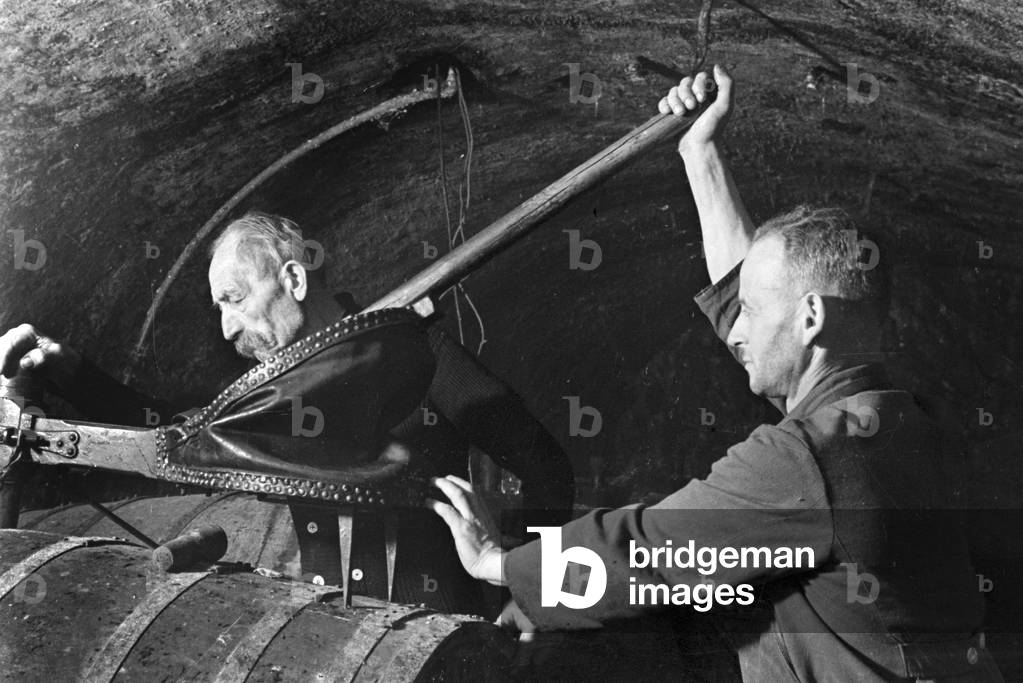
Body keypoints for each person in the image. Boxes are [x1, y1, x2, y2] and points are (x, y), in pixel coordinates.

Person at [429, 65, 1005, 681]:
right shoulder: (903, 422)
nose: (735, 332)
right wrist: (698, 153)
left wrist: (502, 564)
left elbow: (648, 553)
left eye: (752, 314)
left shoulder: (805, 461)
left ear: (810, 318)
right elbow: (754, 301)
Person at [0, 211, 573, 614]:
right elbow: (181, 438)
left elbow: (545, 466)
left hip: (443, 636)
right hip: (334, 635)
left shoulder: (418, 354)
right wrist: (72, 372)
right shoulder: (280, 386)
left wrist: (520, 593)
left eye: (234, 299)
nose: (225, 329)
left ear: (293, 280)